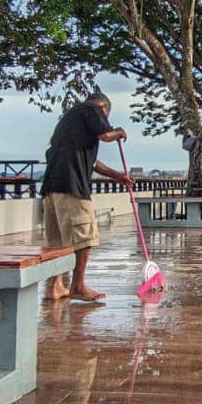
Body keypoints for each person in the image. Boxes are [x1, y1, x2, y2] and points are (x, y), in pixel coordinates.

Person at [40, 92, 134, 301]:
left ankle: (55, 287)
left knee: (58, 243)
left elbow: (92, 162)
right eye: (105, 117)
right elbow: (106, 135)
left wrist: (118, 177)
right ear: (103, 107)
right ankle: (78, 286)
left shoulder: (66, 123)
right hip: (72, 186)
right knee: (84, 239)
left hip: (51, 188)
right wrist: (119, 131)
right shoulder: (90, 109)